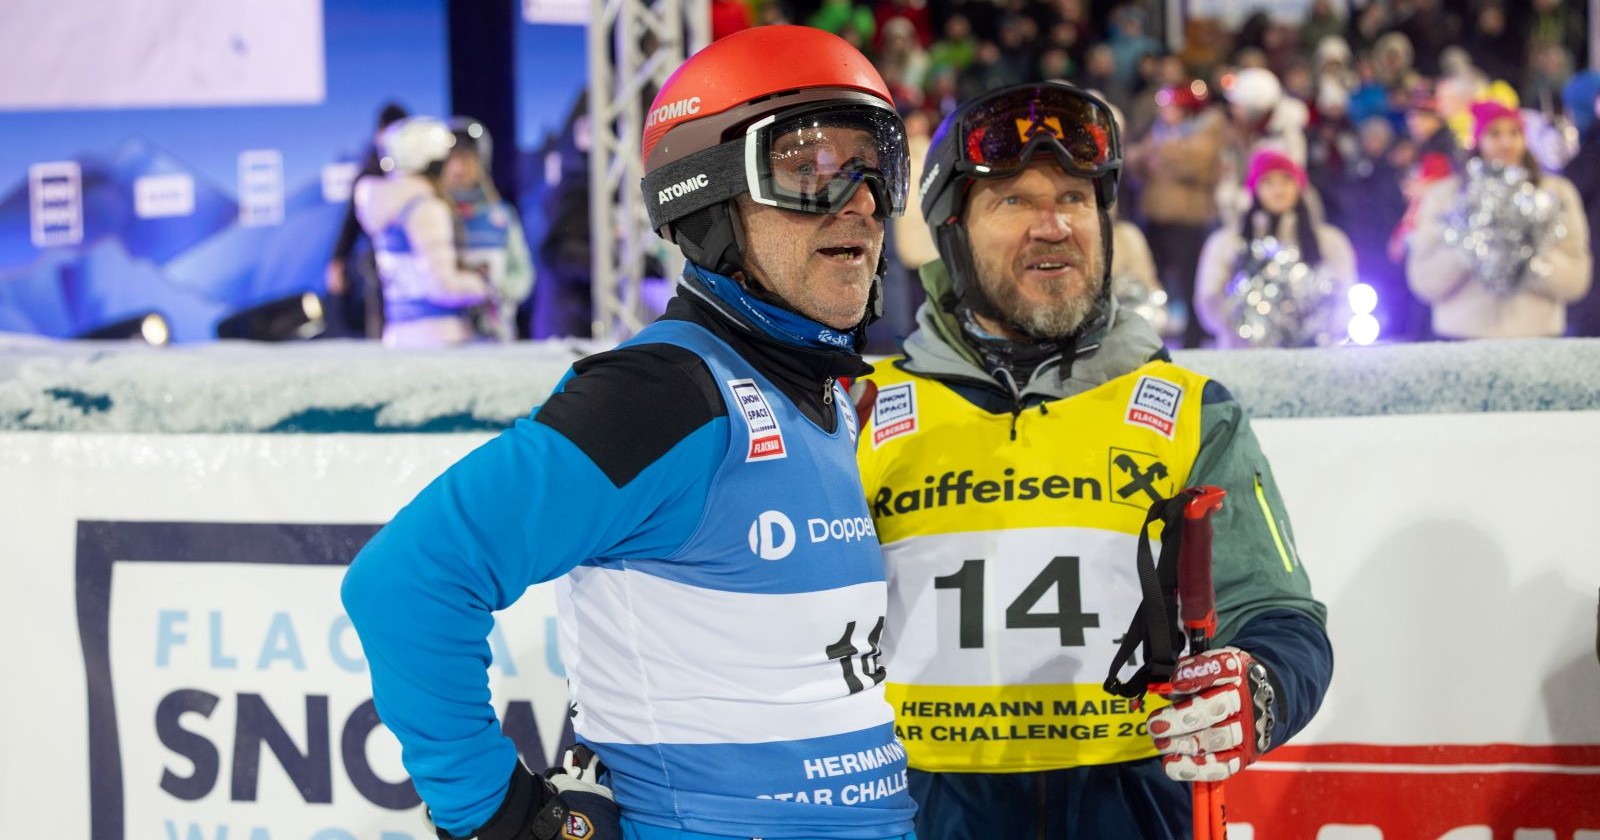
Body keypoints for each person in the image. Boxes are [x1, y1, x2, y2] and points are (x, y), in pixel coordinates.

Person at [343, 25, 917, 840]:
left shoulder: (814, 392)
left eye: (875, 166)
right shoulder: (663, 393)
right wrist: (500, 819)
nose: (860, 199)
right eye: (810, 167)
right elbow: (406, 580)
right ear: (709, 200)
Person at [853, 81, 1332, 838]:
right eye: (1014, 200)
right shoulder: (859, 411)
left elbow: (1280, 617)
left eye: (1075, 198)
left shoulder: (1191, 412)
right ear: (953, 231)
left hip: (1132, 816)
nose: (1054, 227)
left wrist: (1257, 689)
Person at [1407, 101, 1592, 339]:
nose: (1506, 143)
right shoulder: (1445, 196)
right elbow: (1424, 280)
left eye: (1514, 133)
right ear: (1477, 140)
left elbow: (1576, 280)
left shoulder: (1556, 194)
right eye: (1494, 134)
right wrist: (1472, 243)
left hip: (1537, 339)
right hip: (1462, 339)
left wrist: (1527, 253)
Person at [353, 115, 493, 348]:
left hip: (400, 335)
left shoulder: (390, 204)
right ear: (434, 163)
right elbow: (442, 286)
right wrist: (482, 287)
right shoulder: (426, 208)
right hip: (437, 338)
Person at [1195, 150, 1358, 348]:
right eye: (1268, 182)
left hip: (1313, 351)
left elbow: (1344, 292)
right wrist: (1237, 330)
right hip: (1245, 354)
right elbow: (1209, 298)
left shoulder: (1329, 241)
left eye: (1286, 181)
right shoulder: (1227, 243)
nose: (1278, 190)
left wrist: (1324, 331)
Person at [443, 117, 535, 342]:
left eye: (466, 158)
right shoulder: (433, 215)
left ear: (481, 162)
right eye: (451, 159)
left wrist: (498, 289)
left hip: (495, 335)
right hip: (446, 336)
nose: (458, 167)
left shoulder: (500, 215)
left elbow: (523, 273)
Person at [327, 101, 408, 338]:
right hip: (380, 260)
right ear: (379, 134)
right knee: (381, 320)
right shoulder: (369, 173)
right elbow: (351, 223)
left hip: (416, 260)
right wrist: (337, 260)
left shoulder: (417, 172)